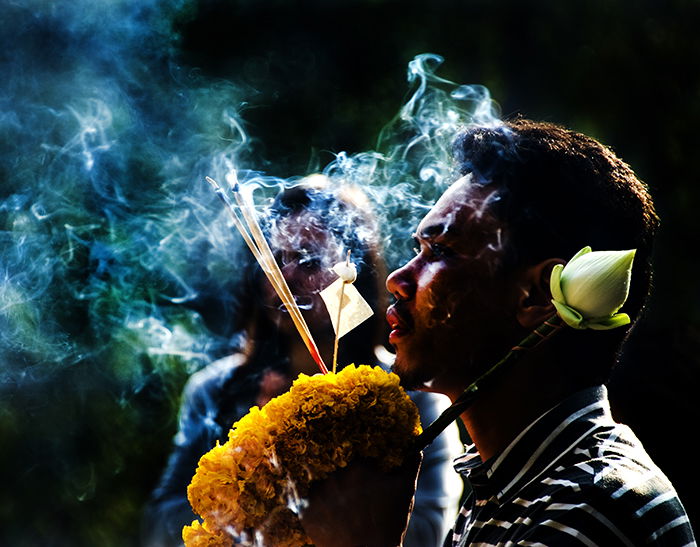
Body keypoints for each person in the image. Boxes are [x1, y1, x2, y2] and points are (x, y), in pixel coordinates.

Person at [300, 119, 696, 546]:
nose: (398, 279)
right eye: (418, 250)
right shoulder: (506, 487)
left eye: (441, 251)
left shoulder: (588, 508)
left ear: (537, 297)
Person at [142, 175, 464, 546]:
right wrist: (249, 472)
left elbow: (427, 534)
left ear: (353, 274)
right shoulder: (217, 391)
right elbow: (161, 525)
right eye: (276, 259)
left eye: (309, 261)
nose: (287, 276)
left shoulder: (412, 398)